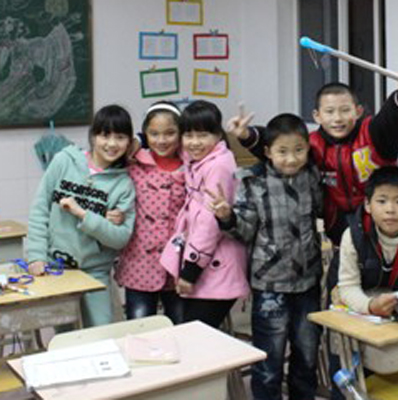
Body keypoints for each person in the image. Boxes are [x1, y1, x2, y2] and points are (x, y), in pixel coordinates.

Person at [208, 113, 323, 400]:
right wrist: (227, 217)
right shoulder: (252, 181)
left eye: (298, 150)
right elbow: (245, 231)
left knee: (307, 356)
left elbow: (321, 209)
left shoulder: (311, 176)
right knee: (269, 362)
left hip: (308, 282)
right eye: (282, 151)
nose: (291, 159)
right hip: (270, 285)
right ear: (268, 152)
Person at [229, 73, 398, 245]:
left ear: (358, 111)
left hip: (384, 227)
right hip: (341, 230)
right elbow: (281, 147)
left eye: (345, 110)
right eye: (329, 111)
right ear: (317, 116)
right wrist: (247, 135)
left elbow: (391, 120)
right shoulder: (312, 144)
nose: (337, 118)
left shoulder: (373, 134)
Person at [327, 165, 398, 399]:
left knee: (391, 376)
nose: (390, 209)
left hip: (389, 306)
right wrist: (370, 306)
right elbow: (348, 287)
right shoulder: (354, 236)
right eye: (382, 201)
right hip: (349, 302)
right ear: (368, 205)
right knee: (347, 372)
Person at [27, 104, 137, 327]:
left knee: (101, 331)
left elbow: (120, 238)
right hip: (57, 267)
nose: (112, 144)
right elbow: (40, 210)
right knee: (65, 334)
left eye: (120, 137)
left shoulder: (124, 184)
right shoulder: (64, 161)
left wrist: (84, 215)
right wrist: (36, 256)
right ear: (93, 136)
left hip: (96, 271)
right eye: (105, 135)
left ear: (129, 142)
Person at [160, 100, 249, 329]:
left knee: (194, 334)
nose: (194, 142)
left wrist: (191, 272)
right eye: (188, 135)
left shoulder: (218, 165)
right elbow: (167, 143)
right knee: (194, 332)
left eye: (202, 135)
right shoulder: (198, 158)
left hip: (216, 262)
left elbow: (209, 225)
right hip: (203, 260)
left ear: (217, 135)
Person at [114, 101, 185, 324]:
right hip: (139, 264)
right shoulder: (132, 163)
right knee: (140, 327)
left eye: (170, 133)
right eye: (154, 134)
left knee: (182, 328)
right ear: (145, 134)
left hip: (179, 264)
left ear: (181, 133)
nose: (161, 140)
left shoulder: (191, 167)